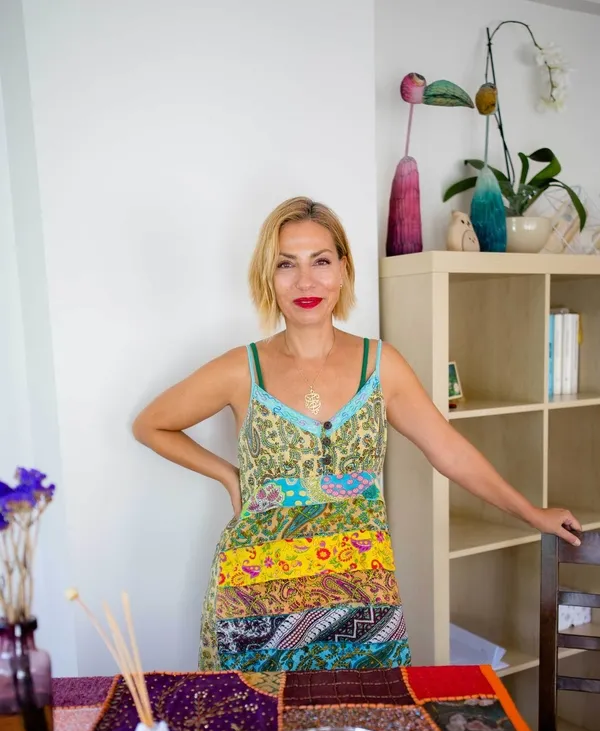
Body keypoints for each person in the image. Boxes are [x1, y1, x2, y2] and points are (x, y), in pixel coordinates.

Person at [132, 196, 581, 672]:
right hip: (255, 599)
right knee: (258, 717)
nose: (306, 281)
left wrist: (532, 513)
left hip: (362, 596)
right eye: (286, 264)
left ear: (343, 269)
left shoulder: (380, 365)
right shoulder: (241, 370)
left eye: (321, 261)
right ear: (268, 275)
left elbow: (449, 451)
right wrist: (229, 475)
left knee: (368, 713)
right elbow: (151, 424)